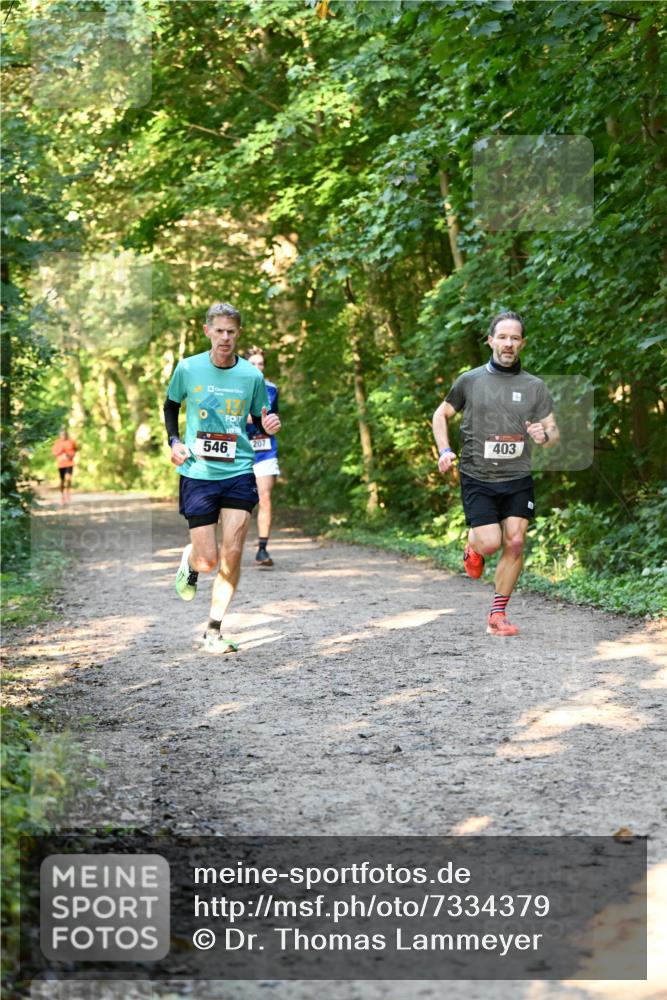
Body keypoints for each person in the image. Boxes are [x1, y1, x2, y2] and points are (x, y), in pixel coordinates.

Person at [432, 310, 559, 637]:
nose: (508, 343)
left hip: (517, 477)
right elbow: (440, 415)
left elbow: (552, 432)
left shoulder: (534, 386)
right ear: (491, 341)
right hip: (477, 476)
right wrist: (445, 450)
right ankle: (473, 547)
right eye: (502, 337)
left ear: (522, 343)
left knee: (515, 541)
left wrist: (543, 435)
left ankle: (497, 615)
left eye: (515, 338)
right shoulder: (470, 381)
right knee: (491, 543)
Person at [164, 302, 281, 653]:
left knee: (233, 551)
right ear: (207, 332)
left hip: (239, 470)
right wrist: (174, 441)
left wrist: (269, 424)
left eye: (231, 331)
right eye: (219, 331)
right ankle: (191, 560)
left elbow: (261, 418)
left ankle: (213, 630)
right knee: (207, 560)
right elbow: (171, 405)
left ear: (238, 333)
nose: (225, 337)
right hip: (198, 472)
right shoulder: (188, 368)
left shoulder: (251, 376)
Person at [245, 347, 280, 568]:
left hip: (265, 449)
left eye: (260, 364)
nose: (257, 367)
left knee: (264, 498)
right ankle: (228, 547)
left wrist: (274, 424)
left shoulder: (272, 389)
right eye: (253, 364)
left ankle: (262, 549)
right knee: (235, 502)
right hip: (239, 451)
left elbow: (273, 417)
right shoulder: (233, 386)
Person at [51, 427, 77, 504]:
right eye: (62, 434)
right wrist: (60, 452)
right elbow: (54, 453)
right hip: (61, 464)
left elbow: (75, 450)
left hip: (69, 463)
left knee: (68, 478)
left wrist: (70, 455)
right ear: (60, 435)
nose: (64, 436)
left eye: (65, 434)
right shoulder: (57, 443)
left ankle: (68, 493)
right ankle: (62, 496)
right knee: (62, 480)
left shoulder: (71, 442)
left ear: (67, 434)